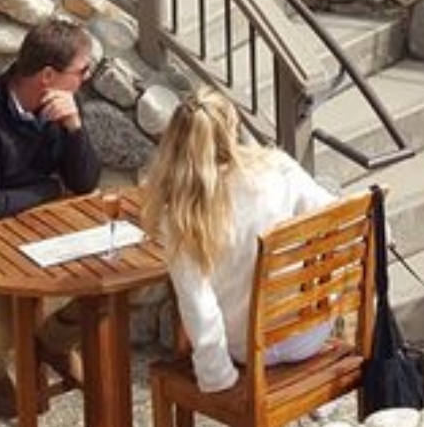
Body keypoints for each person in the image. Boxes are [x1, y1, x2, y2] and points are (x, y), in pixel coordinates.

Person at [0, 19, 103, 406]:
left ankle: (52, 343)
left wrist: (74, 127)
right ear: (48, 75)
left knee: (99, 292)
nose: (86, 78)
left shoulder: (59, 103)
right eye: (82, 71)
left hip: (32, 227)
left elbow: (83, 183)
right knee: (7, 332)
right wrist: (48, 188)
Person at [141, 89, 338, 394]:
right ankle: (314, 405)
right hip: (308, 333)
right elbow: (336, 216)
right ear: (233, 129)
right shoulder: (278, 169)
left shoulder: (183, 215)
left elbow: (199, 306)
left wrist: (217, 378)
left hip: (247, 347)